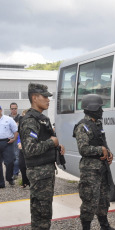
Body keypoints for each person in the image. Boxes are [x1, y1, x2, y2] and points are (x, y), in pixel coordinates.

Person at [19, 83, 65, 229]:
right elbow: (30, 149)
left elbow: (44, 140)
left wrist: (57, 146)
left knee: (44, 210)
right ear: (34, 97)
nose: (48, 100)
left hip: (45, 171)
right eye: (44, 97)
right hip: (39, 172)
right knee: (41, 211)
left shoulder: (41, 118)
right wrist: (52, 143)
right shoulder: (30, 120)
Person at [73, 94, 115, 230]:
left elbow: (103, 142)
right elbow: (83, 149)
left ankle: (104, 225)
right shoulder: (82, 127)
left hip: (102, 168)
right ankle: (86, 227)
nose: (102, 111)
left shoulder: (97, 124)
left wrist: (108, 152)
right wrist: (100, 150)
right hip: (90, 171)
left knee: (104, 199)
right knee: (89, 200)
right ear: (91, 109)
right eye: (99, 108)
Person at [0, 105, 18, 188]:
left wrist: (14, 139)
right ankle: (1, 183)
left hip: (7, 142)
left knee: (10, 161)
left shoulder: (8, 119)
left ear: (1, 110)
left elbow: (15, 130)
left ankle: (9, 178)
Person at [17, 109, 30, 188]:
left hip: (30, 148)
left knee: (29, 166)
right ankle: (24, 181)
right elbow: (19, 136)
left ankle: (30, 182)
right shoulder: (21, 125)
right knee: (21, 165)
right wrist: (19, 143)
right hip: (22, 148)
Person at [9, 102, 20, 179]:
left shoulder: (20, 118)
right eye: (12, 109)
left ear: (17, 109)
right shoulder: (7, 118)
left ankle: (15, 173)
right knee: (10, 158)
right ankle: (12, 172)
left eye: (15, 108)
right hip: (9, 139)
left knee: (17, 156)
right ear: (10, 109)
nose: (13, 110)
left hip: (18, 139)